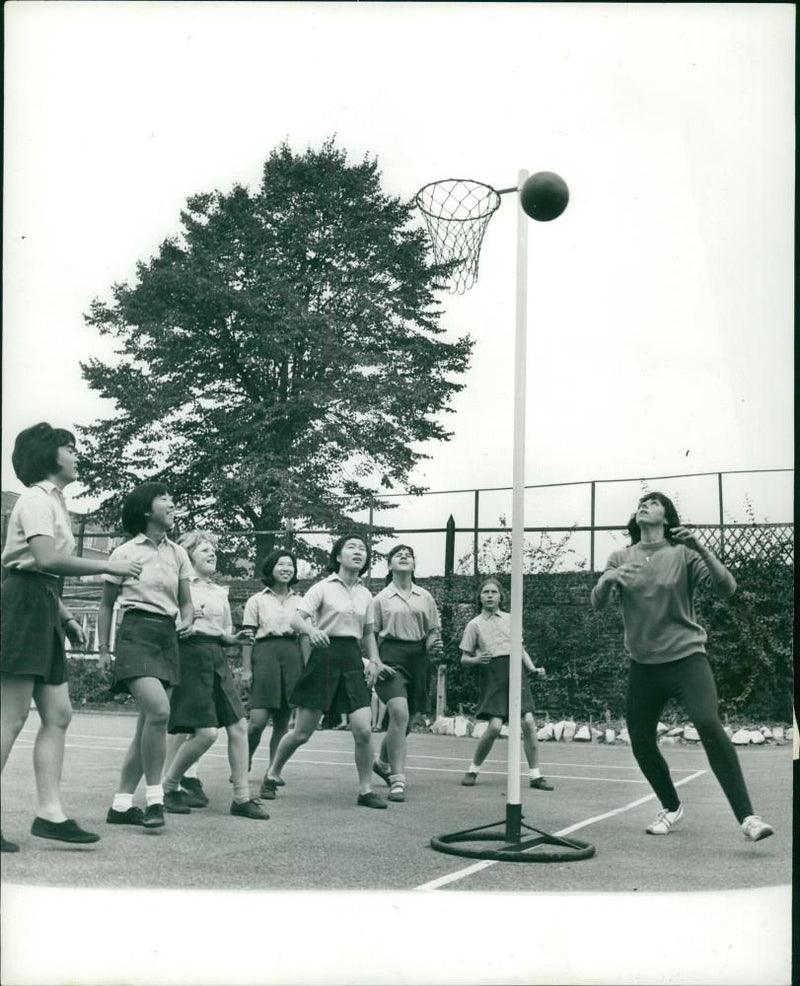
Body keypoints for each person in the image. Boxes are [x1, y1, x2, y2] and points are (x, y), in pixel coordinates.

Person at [590, 491, 774, 842]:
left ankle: (748, 817)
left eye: (654, 502)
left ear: (667, 516)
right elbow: (597, 603)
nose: (645, 504)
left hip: (687, 658)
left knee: (707, 722)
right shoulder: (620, 557)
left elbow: (727, 587)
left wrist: (701, 548)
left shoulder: (683, 554)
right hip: (644, 666)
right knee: (641, 741)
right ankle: (671, 807)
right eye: (641, 502)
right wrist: (606, 581)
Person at [1, 423, 142, 852]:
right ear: (49, 455)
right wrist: (108, 568)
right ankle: (48, 813)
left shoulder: (55, 501)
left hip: (41, 604)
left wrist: (64, 617)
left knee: (58, 714)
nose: (76, 454)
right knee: (10, 718)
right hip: (23, 606)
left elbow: (42, 572)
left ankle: (50, 814)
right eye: (70, 447)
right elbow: (42, 560)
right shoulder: (35, 499)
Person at [262, 534, 390, 809]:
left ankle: (366, 790)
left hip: (352, 659)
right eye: (351, 548)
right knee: (302, 733)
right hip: (324, 657)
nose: (359, 552)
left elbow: (368, 633)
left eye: (363, 549)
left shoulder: (366, 593)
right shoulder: (322, 587)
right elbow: (296, 619)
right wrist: (311, 630)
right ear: (338, 556)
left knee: (363, 730)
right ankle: (272, 775)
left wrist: (375, 661)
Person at [97, 483, 194, 830]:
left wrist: (189, 618)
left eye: (171, 496)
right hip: (135, 632)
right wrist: (104, 650)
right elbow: (106, 605)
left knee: (147, 726)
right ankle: (155, 800)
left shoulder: (178, 554)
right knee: (159, 712)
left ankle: (121, 805)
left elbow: (185, 602)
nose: (171, 502)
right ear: (145, 510)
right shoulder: (123, 552)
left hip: (167, 637)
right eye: (163, 497)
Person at [161, 532, 269, 820]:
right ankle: (169, 787)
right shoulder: (177, 587)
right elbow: (168, 624)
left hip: (216, 659)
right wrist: (180, 629)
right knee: (206, 734)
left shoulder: (219, 592)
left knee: (239, 727)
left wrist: (233, 639)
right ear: (188, 555)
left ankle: (242, 798)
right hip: (188, 658)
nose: (212, 554)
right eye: (205, 550)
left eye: (214, 550)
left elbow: (222, 632)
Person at [459, 578, 553, 791]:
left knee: (528, 722)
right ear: (480, 597)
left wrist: (533, 669)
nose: (490, 595)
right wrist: (476, 660)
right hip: (493, 676)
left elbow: (520, 649)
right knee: (494, 727)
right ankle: (473, 769)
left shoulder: (512, 619)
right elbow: (464, 658)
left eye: (494, 592)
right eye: (486, 592)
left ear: (501, 596)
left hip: (516, 674)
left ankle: (536, 776)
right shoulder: (474, 625)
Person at [370, 544, 442, 803]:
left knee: (408, 721)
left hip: (418, 658)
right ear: (389, 565)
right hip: (390, 656)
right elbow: (370, 635)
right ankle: (397, 780)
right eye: (397, 555)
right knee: (398, 713)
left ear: (414, 565)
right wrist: (374, 662)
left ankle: (381, 762)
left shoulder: (425, 596)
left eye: (409, 555)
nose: (404, 557)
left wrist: (433, 644)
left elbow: (433, 630)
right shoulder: (380, 599)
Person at [240, 549, 308, 799]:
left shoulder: (301, 602)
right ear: (271, 569)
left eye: (290, 565)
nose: (286, 568)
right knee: (257, 721)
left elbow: (305, 637)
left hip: (291, 656)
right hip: (265, 655)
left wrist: (306, 668)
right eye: (281, 564)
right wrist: (247, 669)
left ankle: (271, 773)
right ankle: (243, 762)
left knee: (282, 721)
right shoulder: (257, 600)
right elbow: (247, 637)